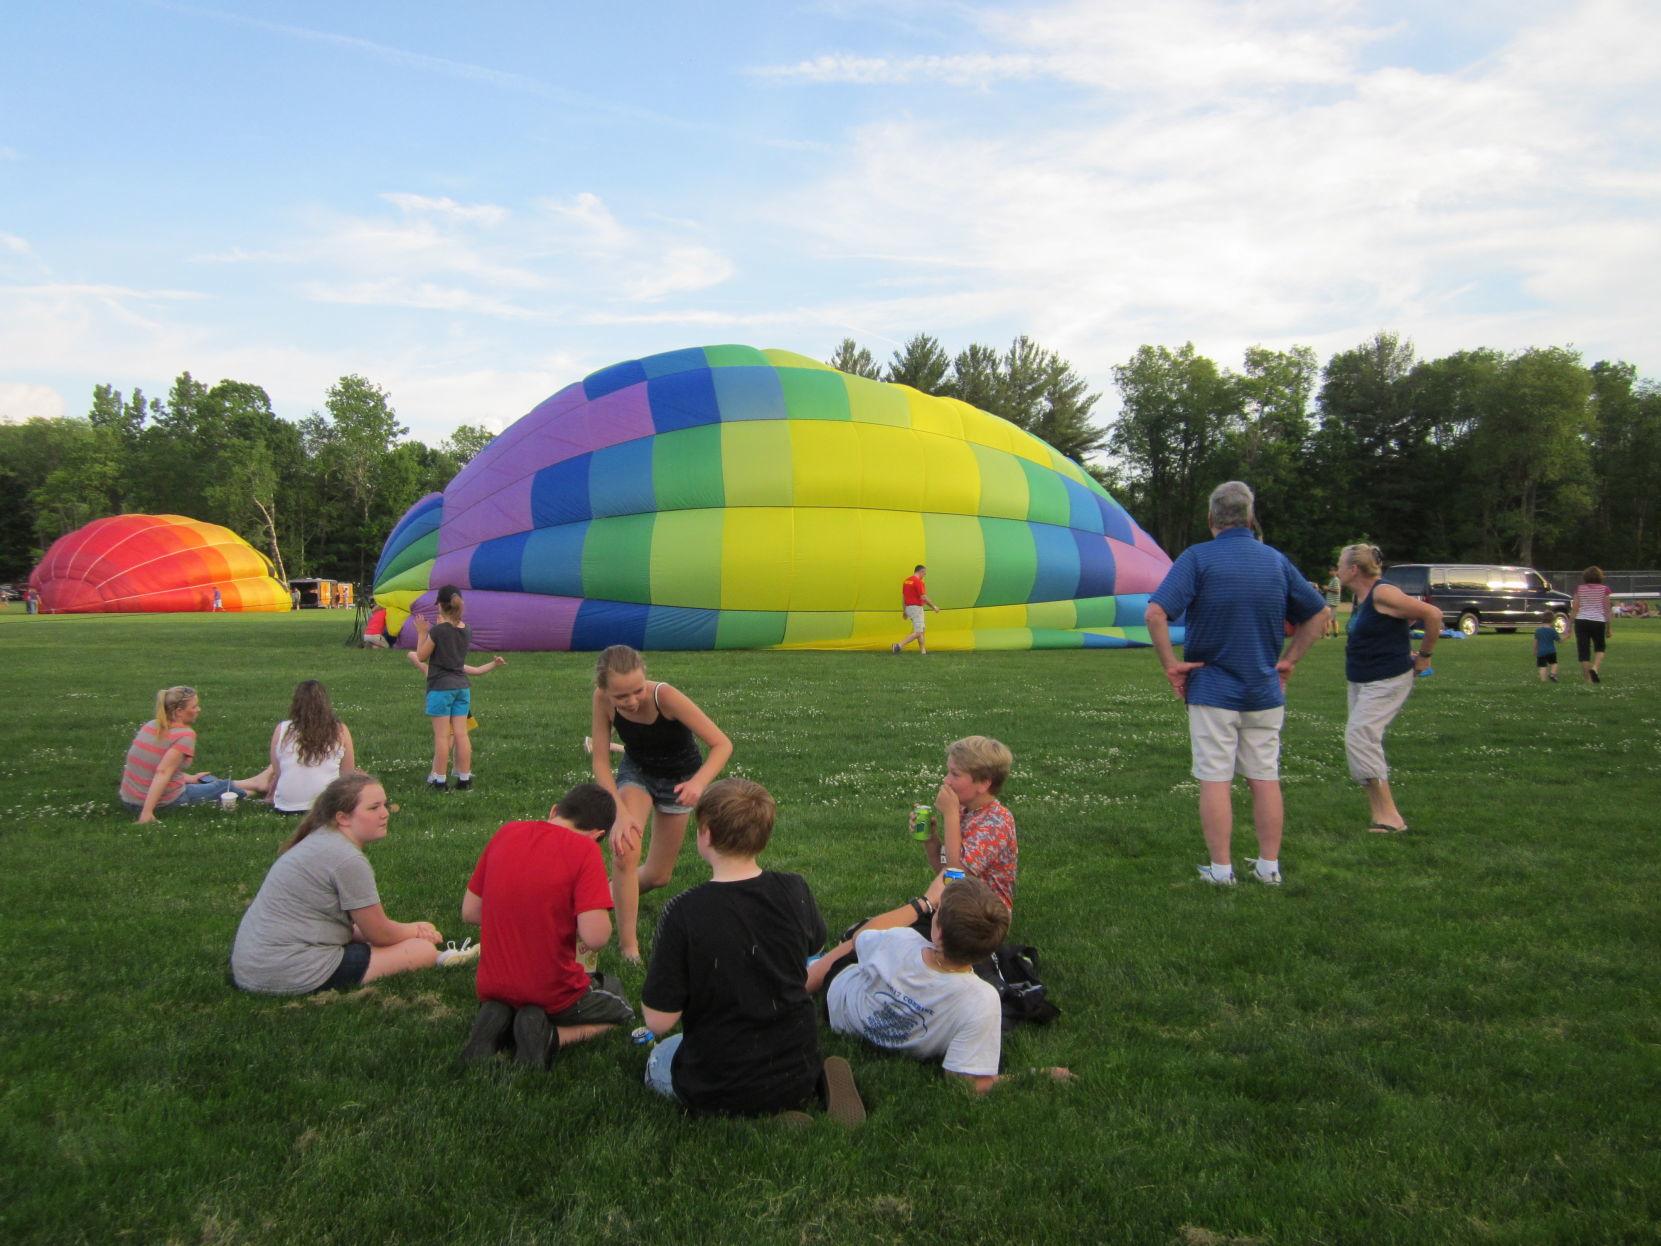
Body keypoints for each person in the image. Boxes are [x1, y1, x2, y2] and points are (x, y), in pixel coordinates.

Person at [638, 778, 862, 1122]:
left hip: (718, 1081)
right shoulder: (794, 889)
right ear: (764, 835)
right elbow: (813, 949)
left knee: (660, 1057)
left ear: (706, 833)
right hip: (796, 1062)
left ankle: (762, 1107)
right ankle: (802, 1091)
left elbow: (658, 1019)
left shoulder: (683, 912)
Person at [1144, 481, 1329, 886]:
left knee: (1215, 778)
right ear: (1250, 517)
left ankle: (1222, 869)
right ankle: (1268, 866)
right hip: (1264, 689)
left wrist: (1171, 664)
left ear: (1211, 519)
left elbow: (1157, 612)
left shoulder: (1197, 558)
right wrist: (1289, 661)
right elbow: (1319, 614)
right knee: (1264, 777)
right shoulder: (1276, 561)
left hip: (1212, 690)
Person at [817, 875, 1071, 1094]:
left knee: (860, 944)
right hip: (903, 1040)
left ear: (936, 931)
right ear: (987, 955)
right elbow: (967, 1084)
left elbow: (861, 936)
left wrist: (924, 904)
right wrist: (1040, 1074)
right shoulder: (983, 999)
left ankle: (812, 965)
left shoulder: (902, 940)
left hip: (841, 1010)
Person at [229, 774, 469, 995]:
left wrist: (403, 930)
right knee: (422, 951)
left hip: (255, 965)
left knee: (403, 942)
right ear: (343, 818)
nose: (385, 813)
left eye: (385, 804)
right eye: (374, 808)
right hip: (289, 970)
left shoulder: (321, 839)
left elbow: (353, 926)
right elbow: (379, 933)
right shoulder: (346, 858)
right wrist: (415, 931)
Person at [806, 736, 1018, 982]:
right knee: (872, 932)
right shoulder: (966, 810)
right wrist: (931, 840)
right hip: (950, 907)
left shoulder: (996, 822)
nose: (946, 780)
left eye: (955, 774)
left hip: (978, 920)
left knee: (878, 936)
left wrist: (949, 815)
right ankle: (822, 968)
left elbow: (955, 875)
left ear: (983, 783)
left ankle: (815, 975)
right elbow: (944, 872)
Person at [457, 783, 636, 1068]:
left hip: (492, 983)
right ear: (597, 835)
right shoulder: (584, 851)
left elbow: (470, 911)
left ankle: (500, 1016)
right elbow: (596, 937)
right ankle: (552, 1036)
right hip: (552, 991)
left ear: (554, 810)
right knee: (619, 1005)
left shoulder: (507, 832)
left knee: (513, 1000)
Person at [590, 644, 733, 962]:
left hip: (679, 781)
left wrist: (698, 783)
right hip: (637, 773)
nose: (630, 701)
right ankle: (629, 948)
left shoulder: (664, 697)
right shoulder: (601, 699)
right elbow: (601, 761)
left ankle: (595, 896)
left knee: (657, 876)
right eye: (620, 696)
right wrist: (620, 812)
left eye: (637, 690)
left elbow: (722, 744)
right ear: (604, 690)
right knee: (625, 851)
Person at [1336, 544, 1444, 834]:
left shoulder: (1383, 592)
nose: (1337, 569)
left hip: (1386, 679)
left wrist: (1425, 656)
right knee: (1362, 740)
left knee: (1360, 737)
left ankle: (1390, 817)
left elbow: (1432, 614)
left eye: (1340, 564)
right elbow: (1393, 623)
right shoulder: (1363, 598)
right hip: (1362, 678)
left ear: (1354, 569)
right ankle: (1381, 814)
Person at [120, 685, 271, 824]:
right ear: (179, 711)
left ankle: (257, 782)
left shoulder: (151, 725)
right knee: (219, 787)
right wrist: (147, 813)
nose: (198, 709)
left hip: (129, 801)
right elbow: (162, 771)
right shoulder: (184, 735)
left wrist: (190, 778)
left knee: (208, 782)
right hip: (163, 803)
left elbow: (153, 766)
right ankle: (258, 785)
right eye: (194, 706)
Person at [413, 585, 507, 791]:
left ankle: (439, 780)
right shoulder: (467, 630)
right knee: (461, 735)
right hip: (462, 688)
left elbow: (421, 656)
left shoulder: (437, 631)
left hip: (440, 688)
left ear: (440, 606)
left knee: (442, 736)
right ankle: (465, 779)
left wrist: (422, 633)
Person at [267, 680, 356, 814]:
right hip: (326, 806)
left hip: (286, 806)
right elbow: (347, 775)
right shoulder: (340, 730)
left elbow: (278, 771)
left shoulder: (282, 730)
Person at [1571, 566, 1613, 684]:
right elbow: (1607, 609)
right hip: (1598, 621)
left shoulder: (1579, 589)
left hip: (1581, 621)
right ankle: (1594, 668)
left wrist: (1569, 626)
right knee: (1600, 647)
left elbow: (1575, 608)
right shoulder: (1605, 589)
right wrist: (1609, 628)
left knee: (1583, 651)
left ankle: (1588, 680)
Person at [891, 563, 940, 654]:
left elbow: (904, 597)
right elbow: (923, 597)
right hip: (916, 608)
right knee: (918, 632)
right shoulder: (918, 582)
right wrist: (934, 607)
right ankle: (898, 646)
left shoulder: (906, 581)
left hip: (910, 608)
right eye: (924, 573)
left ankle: (923, 651)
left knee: (922, 629)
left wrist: (904, 610)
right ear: (920, 571)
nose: (924, 576)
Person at [1324, 568, 1342, 636]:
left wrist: (1327, 589)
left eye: (1331, 571)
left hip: (1332, 602)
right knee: (1334, 618)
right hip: (1332, 601)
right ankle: (1336, 633)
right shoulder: (1332, 579)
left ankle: (1327, 633)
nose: (1330, 572)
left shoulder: (1336, 580)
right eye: (1330, 571)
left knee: (1328, 618)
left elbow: (1337, 591)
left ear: (1336, 572)